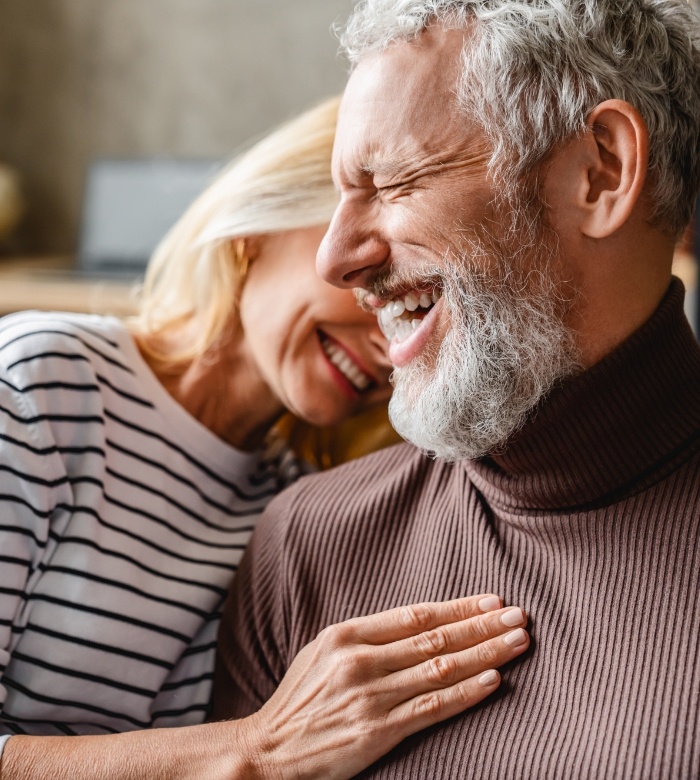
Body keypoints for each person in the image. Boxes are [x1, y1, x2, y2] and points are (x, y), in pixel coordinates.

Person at [214, 1, 700, 778]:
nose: (335, 258)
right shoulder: (307, 545)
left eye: (394, 181)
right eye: (342, 195)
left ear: (600, 172)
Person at [0, 96, 530, 778]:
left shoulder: (291, 502)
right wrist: (258, 750)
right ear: (259, 227)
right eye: (370, 274)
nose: (389, 334)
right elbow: (266, 747)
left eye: (419, 303)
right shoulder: (44, 383)